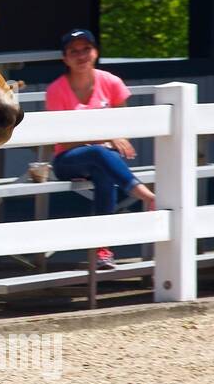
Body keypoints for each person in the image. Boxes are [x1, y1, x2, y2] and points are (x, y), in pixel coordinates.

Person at [44, 28, 155, 270]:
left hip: (103, 159)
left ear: (95, 53)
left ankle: (102, 251)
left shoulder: (111, 82)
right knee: (100, 154)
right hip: (67, 159)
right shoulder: (56, 90)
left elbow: (122, 127)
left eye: (86, 49)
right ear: (65, 59)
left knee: (104, 169)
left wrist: (112, 137)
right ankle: (144, 195)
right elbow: (62, 139)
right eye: (74, 51)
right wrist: (105, 137)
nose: (81, 55)